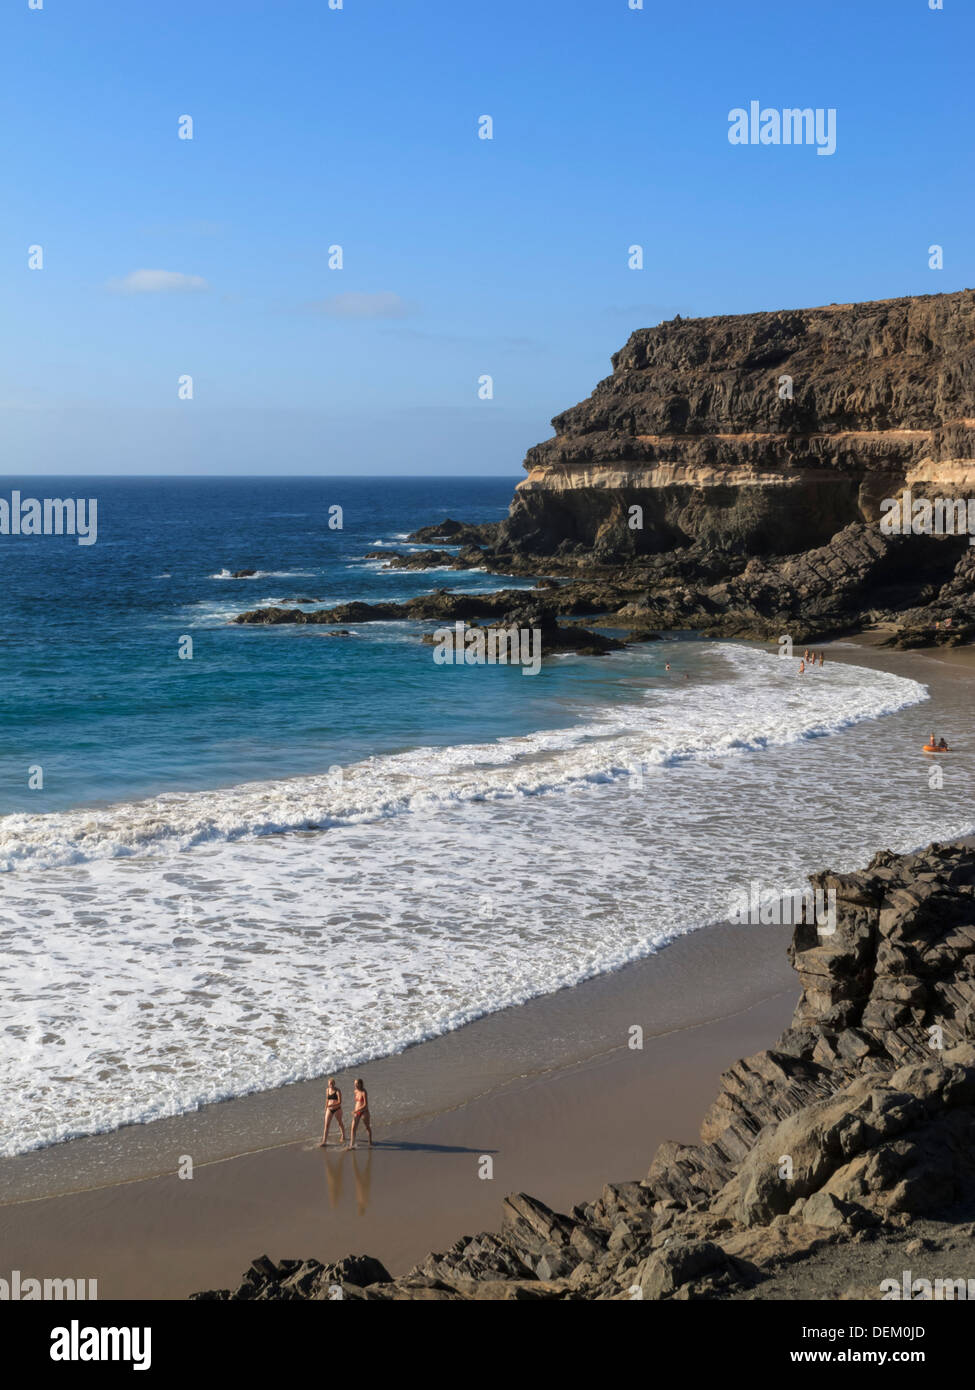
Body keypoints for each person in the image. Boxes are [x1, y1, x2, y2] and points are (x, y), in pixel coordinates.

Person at [319, 1076, 346, 1148]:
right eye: (329, 1084)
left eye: (332, 1084)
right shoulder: (327, 1090)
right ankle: (324, 1141)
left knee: (340, 1122)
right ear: (328, 1084)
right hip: (329, 1109)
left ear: (334, 1084)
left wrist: (333, 1105)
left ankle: (343, 1135)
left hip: (337, 1109)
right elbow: (327, 1099)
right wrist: (326, 1107)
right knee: (326, 1125)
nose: (331, 1085)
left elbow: (340, 1102)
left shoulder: (338, 1091)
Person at [347, 1078, 373, 1150]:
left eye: (356, 1084)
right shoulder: (355, 1091)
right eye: (354, 1083)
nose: (355, 1085)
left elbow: (365, 1105)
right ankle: (352, 1145)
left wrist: (357, 1109)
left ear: (360, 1084)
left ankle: (370, 1140)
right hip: (357, 1111)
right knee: (353, 1128)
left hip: (364, 1111)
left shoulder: (364, 1092)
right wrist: (356, 1110)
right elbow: (357, 1102)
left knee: (367, 1127)